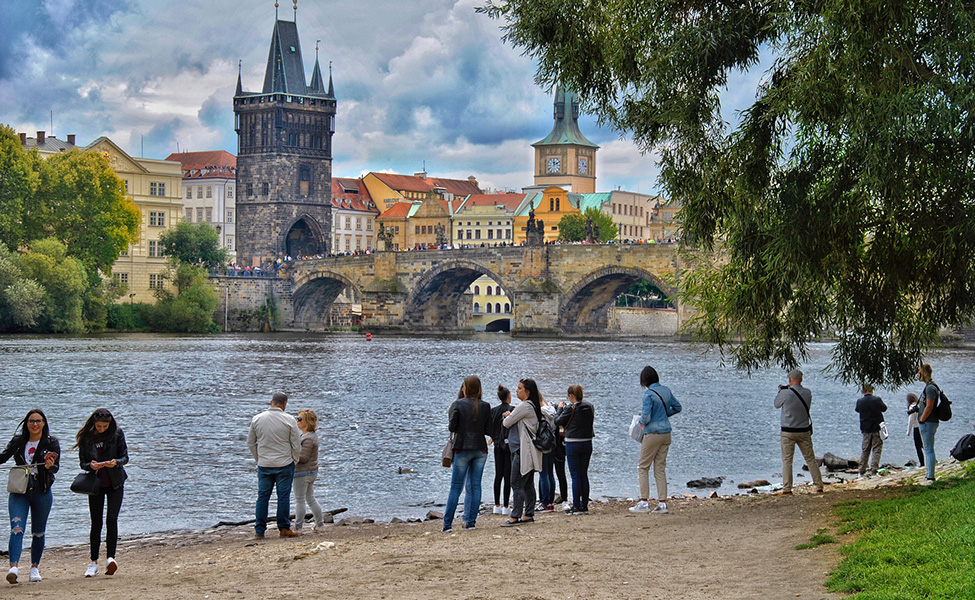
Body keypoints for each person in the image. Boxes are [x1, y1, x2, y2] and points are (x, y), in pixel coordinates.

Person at [1, 409, 60, 584]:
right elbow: (3, 457)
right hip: (20, 490)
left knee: (39, 533)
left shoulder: (51, 442)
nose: (35, 424)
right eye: (31, 421)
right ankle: (13, 567)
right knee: (16, 528)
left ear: (44, 423)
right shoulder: (19, 441)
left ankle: (34, 567)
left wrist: (50, 466)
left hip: (41, 489)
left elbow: (56, 467)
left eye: (39, 421)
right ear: (26, 423)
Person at [74, 408, 128, 578]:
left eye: (104, 426)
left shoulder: (117, 434)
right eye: (99, 426)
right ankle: (93, 561)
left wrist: (116, 463)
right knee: (96, 522)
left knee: (112, 519)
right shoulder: (87, 437)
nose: (101, 429)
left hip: (115, 483)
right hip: (96, 484)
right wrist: (91, 465)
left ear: (110, 424)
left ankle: (111, 558)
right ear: (94, 423)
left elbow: (125, 458)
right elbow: (82, 463)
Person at [247, 392, 301, 538]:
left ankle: (259, 530)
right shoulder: (289, 420)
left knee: (263, 497)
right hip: (284, 462)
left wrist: (258, 459)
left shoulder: (257, 419)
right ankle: (284, 528)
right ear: (284, 404)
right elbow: (296, 444)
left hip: (264, 463)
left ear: (271, 402)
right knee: (283, 496)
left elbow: (251, 442)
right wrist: (294, 460)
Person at [442, 376, 491, 532]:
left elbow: (452, 427)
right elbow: (489, 430)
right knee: (475, 486)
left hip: (462, 447)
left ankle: (448, 524)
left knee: (456, 487)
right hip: (480, 448)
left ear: (466, 388)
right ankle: (470, 522)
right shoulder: (485, 406)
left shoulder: (458, 404)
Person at [630, 366, 681, 514]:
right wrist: (664, 415)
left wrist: (641, 423)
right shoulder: (666, 390)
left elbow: (646, 416)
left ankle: (644, 501)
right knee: (660, 468)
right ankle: (662, 503)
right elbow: (677, 407)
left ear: (644, 380)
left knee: (643, 466)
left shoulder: (648, 394)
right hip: (666, 432)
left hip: (652, 433)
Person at [774, 368, 824, 495]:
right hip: (804, 431)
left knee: (787, 460)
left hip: (788, 431)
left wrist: (780, 392)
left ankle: (787, 488)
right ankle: (819, 485)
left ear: (790, 380)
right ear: (801, 379)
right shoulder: (808, 392)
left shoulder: (785, 393)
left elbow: (776, 404)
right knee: (810, 459)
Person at [501, 379, 544, 526]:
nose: (516, 391)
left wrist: (507, 415)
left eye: (519, 388)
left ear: (527, 391)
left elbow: (507, 423)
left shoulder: (525, 406)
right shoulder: (533, 405)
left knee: (516, 483)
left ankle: (515, 516)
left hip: (523, 451)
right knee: (527, 484)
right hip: (530, 451)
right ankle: (529, 514)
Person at [555, 385, 594, 515]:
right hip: (587, 442)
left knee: (575, 475)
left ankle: (576, 506)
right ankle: (584, 506)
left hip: (573, 442)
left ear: (571, 396)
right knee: (584, 474)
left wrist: (560, 409)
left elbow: (557, 421)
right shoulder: (589, 406)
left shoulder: (570, 408)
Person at [293, 409, 324, 534]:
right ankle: (320, 525)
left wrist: (291, 454)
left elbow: (304, 458)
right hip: (311, 472)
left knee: (300, 500)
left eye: (299, 419)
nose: (297, 421)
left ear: (306, 422)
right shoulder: (308, 436)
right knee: (310, 499)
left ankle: (298, 527)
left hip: (302, 473)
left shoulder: (308, 439)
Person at [854, 384, 887, 477]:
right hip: (877, 427)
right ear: (872, 390)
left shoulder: (860, 401)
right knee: (876, 449)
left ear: (862, 391)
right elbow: (884, 408)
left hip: (865, 428)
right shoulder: (877, 400)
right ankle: (874, 470)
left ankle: (861, 471)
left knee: (865, 449)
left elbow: (857, 410)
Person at [490, 385, 513, 516]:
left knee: (498, 475)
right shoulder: (512, 409)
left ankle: (496, 505)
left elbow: (489, 427)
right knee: (507, 476)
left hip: (497, 445)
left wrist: (493, 437)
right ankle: (506, 506)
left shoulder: (493, 411)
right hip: (508, 446)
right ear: (508, 396)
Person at [917, 363, 940, 482]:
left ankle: (930, 475)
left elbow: (929, 406)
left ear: (925, 373)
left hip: (928, 422)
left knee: (928, 449)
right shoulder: (929, 386)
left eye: (919, 372)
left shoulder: (930, 388)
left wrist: (921, 419)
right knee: (928, 448)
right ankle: (928, 473)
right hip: (928, 422)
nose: (918, 374)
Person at [537, 399, 557, 512]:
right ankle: (551, 502)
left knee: (543, 474)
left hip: (543, 444)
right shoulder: (552, 410)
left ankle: (544, 502)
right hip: (552, 443)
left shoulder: (541, 412)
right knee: (550, 473)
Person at [906, 393, 924, 466]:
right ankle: (932, 460)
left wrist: (908, 432)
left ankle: (922, 463)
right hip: (923, 427)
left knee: (918, 447)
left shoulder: (912, 407)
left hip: (916, 428)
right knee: (925, 445)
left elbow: (911, 420)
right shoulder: (920, 405)